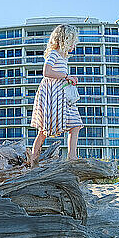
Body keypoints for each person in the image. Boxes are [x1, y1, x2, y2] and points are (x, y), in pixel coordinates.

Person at [29, 24, 83, 166]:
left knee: (76, 124)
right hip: (52, 96)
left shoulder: (64, 58)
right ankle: (33, 162)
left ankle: (72, 158)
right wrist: (66, 76)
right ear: (64, 40)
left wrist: (69, 78)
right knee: (43, 131)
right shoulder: (54, 54)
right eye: (71, 42)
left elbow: (60, 75)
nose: (73, 45)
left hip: (63, 96)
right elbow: (46, 72)